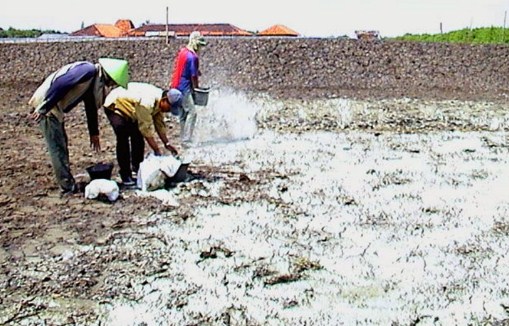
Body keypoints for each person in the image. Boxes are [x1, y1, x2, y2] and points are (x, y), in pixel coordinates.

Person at [28, 58, 129, 195]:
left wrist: (94, 133)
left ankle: (67, 181)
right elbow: (61, 84)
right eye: (112, 82)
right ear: (108, 76)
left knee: (62, 143)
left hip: (54, 107)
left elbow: (90, 107)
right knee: (58, 147)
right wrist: (44, 107)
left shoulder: (92, 81)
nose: (110, 85)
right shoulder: (87, 70)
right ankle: (67, 186)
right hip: (48, 106)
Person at [102, 82, 182, 186]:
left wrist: (167, 144)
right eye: (169, 108)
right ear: (164, 100)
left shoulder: (159, 103)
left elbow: (160, 125)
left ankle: (137, 168)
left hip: (132, 109)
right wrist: (156, 150)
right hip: (116, 104)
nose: (168, 111)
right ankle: (125, 174)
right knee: (123, 135)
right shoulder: (147, 103)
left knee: (137, 137)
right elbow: (146, 129)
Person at [169, 31, 207, 147]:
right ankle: (186, 140)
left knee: (182, 114)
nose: (201, 48)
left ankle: (183, 138)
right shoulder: (193, 57)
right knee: (192, 112)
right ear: (196, 43)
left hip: (175, 87)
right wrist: (196, 89)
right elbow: (193, 76)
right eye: (200, 45)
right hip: (184, 88)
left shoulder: (183, 52)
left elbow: (185, 67)